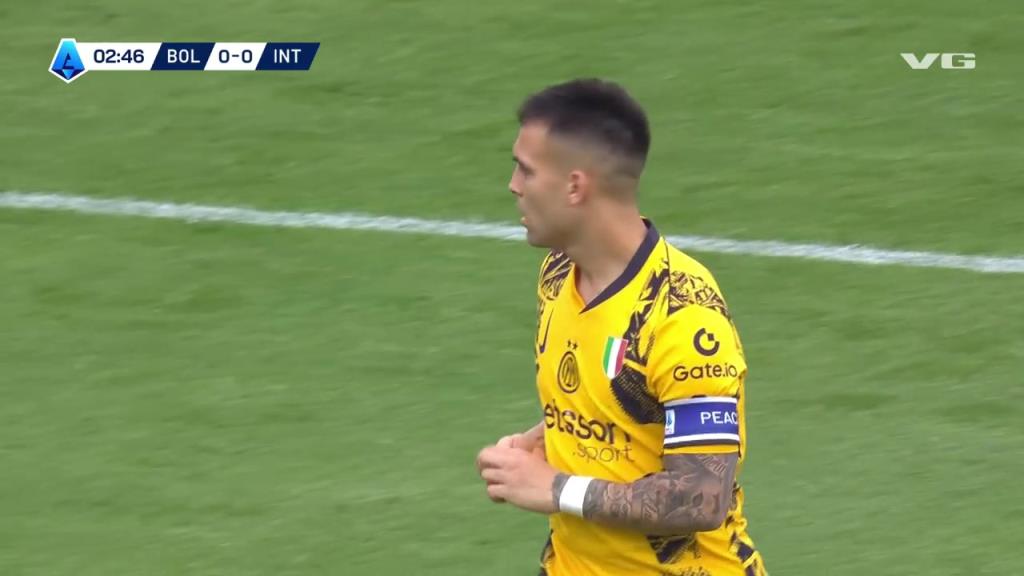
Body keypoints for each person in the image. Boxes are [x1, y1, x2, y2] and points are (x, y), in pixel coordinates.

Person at [476, 78, 766, 576]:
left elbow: (701, 497)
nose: (514, 186)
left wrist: (554, 487)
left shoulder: (683, 317)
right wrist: (544, 440)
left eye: (526, 169)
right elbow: (611, 404)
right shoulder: (559, 272)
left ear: (575, 186)